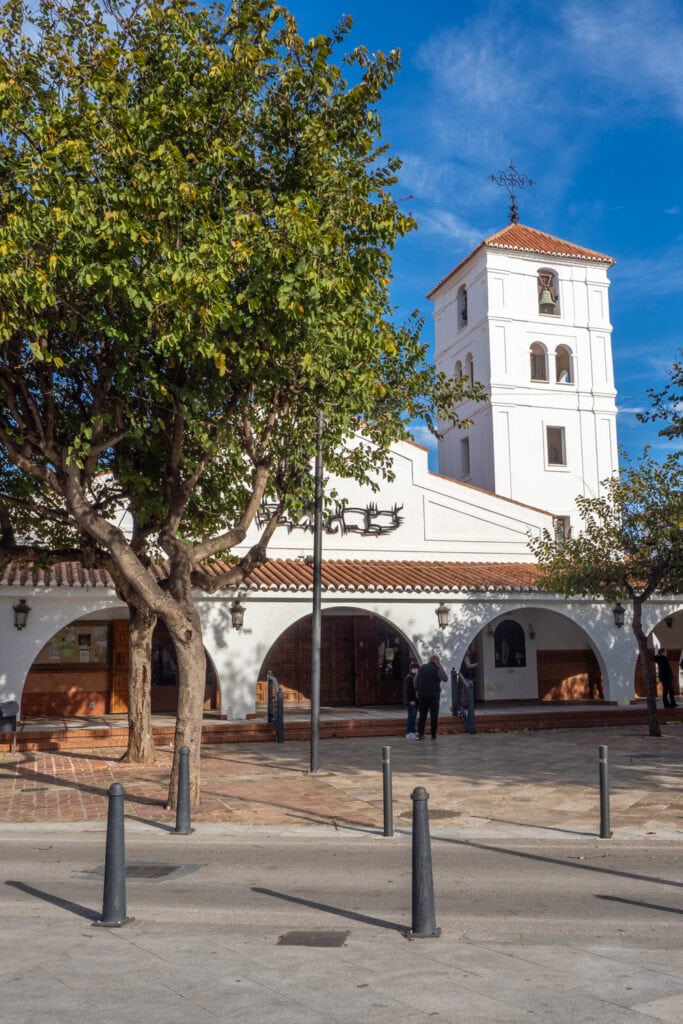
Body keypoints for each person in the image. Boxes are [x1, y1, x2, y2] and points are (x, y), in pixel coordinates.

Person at [416, 654, 447, 740]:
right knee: (434, 715)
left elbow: (415, 681)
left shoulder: (421, 668)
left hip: (422, 695)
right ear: (436, 661)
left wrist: (418, 690)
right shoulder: (437, 669)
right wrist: (440, 666)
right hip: (434, 695)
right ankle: (433, 734)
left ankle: (420, 733)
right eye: (439, 661)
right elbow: (445, 678)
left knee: (422, 715)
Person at [403, 661, 420, 739]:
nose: (418, 670)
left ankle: (413, 731)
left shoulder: (413, 677)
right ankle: (409, 732)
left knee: (414, 716)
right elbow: (408, 691)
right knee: (411, 716)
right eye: (417, 669)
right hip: (411, 701)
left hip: (414, 700)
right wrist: (411, 700)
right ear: (413, 669)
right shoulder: (409, 678)